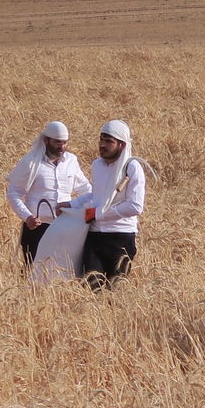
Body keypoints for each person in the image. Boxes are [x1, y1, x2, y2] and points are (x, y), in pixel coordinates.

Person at [59, 120, 147, 290]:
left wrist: (97, 214)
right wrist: (71, 204)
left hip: (121, 237)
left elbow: (135, 206)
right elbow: (97, 195)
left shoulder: (132, 167)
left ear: (121, 145)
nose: (102, 145)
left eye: (108, 141)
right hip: (94, 235)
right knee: (91, 288)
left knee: (115, 291)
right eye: (101, 140)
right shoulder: (97, 165)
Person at [5, 121, 91, 266]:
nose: (61, 146)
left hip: (65, 227)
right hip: (37, 228)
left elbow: (86, 190)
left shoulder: (71, 161)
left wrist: (82, 213)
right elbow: (14, 192)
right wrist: (27, 217)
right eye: (57, 142)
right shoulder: (31, 162)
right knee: (34, 273)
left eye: (64, 143)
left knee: (62, 272)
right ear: (46, 140)